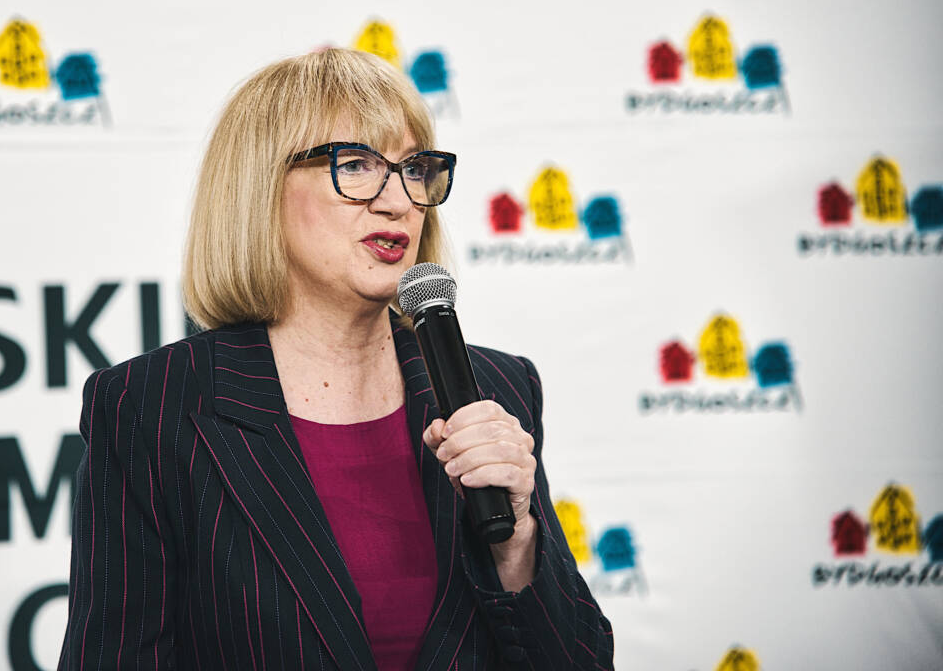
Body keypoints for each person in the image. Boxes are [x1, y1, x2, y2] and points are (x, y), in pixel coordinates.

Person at [58, 48, 613, 670]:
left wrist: (517, 544)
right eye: (355, 165)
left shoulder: (496, 386)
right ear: (260, 190)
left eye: (414, 170)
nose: (398, 202)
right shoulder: (151, 406)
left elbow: (582, 661)